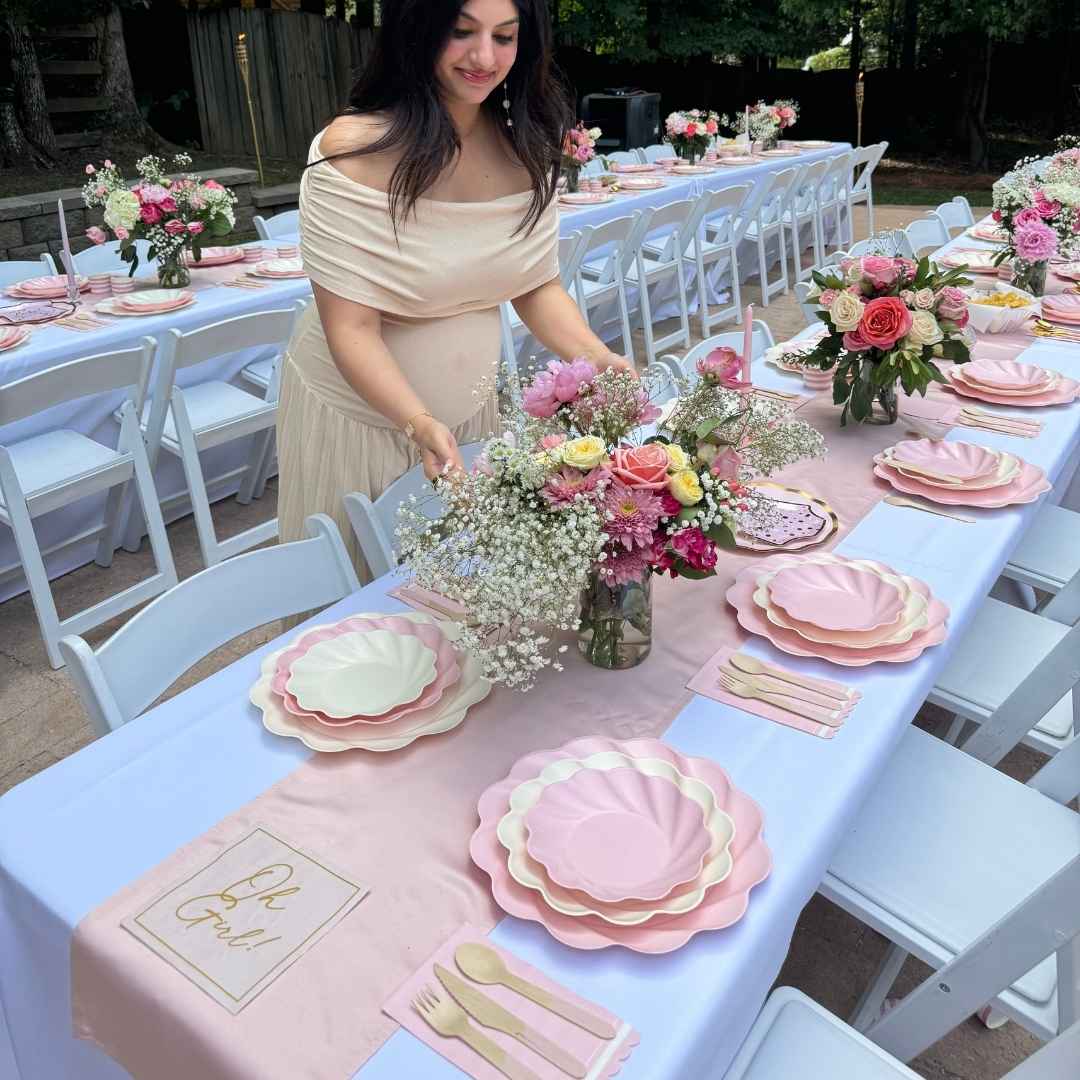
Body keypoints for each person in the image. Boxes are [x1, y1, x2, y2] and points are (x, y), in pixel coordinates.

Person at [277, 0, 631, 580]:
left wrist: (597, 358)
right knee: (355, 597)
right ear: (418, 33)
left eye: (505, 36)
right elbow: (351, 328)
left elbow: (535, 284)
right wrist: (417, 422)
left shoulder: (527, 148)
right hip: (363, 419)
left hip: (469, 412)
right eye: (461, 32)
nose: (484, 57)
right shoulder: (353, 153)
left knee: (461, 586)